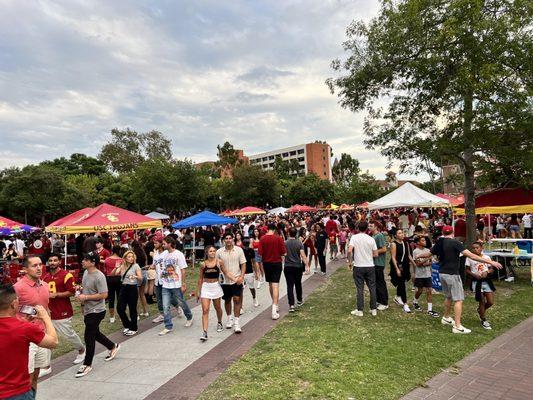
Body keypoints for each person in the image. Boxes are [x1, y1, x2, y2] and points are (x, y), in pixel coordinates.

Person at [431, 225, 502, 334]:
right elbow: (472, 256)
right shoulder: (455, 243)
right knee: (458, 299)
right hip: (452, 274)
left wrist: (419, 256)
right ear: (453, 232)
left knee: (448, 296)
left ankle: (446, 317)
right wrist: (492, 262)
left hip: (442, 273)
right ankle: (457, 326)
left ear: (443, 232)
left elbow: (429, 253)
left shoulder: (439, 242)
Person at [0, 284, 58, 400]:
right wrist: (46, 317)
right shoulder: (24, 328)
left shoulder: (23, 327)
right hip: (17, 392)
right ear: (13, 304)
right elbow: (53, 342)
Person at [74, 252, 120, 378]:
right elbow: (86, 289)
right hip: (89, 309)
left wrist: (86, 297)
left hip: (97, 310)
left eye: (85, 259)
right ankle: (112, 346)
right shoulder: (85, 273)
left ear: (93, 262)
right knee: (95, 334)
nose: (83, 261)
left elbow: (104, 294)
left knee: (88, 336)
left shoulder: (99, 276)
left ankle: (87, 364)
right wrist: (82, 296)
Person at [14, 256, 53, 386]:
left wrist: (48, 330)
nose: (38, 268)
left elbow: (46, 310)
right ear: (25, 269)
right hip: (25, 339)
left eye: (40, 265)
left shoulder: (45, 285)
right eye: (34, 265)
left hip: (41, 336)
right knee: (27, 379)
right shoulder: (17, 288)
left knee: (35, 377)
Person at [42, 253, 86, 365]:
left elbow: (71, 292)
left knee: (68, 334)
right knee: (45, 338)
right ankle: (45, 365)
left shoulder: (66, 275)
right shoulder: (45, 277)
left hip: (62, 310)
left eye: (55, 260)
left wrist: (56, 295)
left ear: (59, 261)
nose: (52, 262)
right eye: (50, 260)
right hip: (48, 312)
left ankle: (82, 350)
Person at [196, 245, 236, 341]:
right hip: (206, 287)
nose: (213, 253)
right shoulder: (203, 264)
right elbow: (200, 278)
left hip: (215, 287)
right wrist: (198, 291)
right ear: (207, 253)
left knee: (218, 308)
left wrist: (236, 279)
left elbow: (226, 273)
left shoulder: (219, 262)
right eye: (210, 251)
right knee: (205, 310)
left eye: (214, 251)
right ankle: (205, 332)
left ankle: (219, 322)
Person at [158, 236, 193, 336]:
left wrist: (183, 283)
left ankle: (189, 317)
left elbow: (183, 270)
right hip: (165, 284)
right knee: (165, 306)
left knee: (181, 302)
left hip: (176, 284)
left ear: (170, 243)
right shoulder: (164, 254)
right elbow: (160, 265)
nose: (163, 245)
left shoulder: (179, 254)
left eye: (164, 243)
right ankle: (168, 326)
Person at [216, 233, 246, 332]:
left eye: (230, 238)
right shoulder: (219, 252)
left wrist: (241, 276)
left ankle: (237, 323)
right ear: (224, 240)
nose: (228, 240)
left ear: (232, 239)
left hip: (237, 279)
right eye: (226, 238)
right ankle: (229, 319)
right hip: (225, 281)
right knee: (227, 300)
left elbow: (243, 264)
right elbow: (217, 266)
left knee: (237, 299)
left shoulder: (239, 250)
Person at [347, 221, 378, 316]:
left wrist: (350, 261)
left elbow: (349, 250)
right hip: (369, 266)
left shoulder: (354, 237)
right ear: (367, 229)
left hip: (358, 266)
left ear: (357, 228)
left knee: (360, 288)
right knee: (372, 287)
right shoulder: (371, 239)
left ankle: (360, 310)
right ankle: (373, 309)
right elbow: (376, 254)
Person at [258, 223, 287, 320]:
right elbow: (284, 252)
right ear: (274, 229)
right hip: (276, 263)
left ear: (267, 229)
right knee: (275, 285)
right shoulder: (278, 238)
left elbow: (260, 253)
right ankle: (274, 308)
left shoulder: (262, 239)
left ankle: (274, 303)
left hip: (266, 263)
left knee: (270, 284)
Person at [465, 242, 496, 330]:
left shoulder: (486, 257)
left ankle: (480, 310)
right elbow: (467, 270)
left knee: (490, 302)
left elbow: (491, 268)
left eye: (477, 247)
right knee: (481, 301)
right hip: (476, 281)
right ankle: (483, 319)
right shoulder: (470, 258)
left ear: (481, 248)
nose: (475, 249)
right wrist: (474, 275)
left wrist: (487, 272)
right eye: (473, 248)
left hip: (486, 281)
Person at [112, 250, 142, 336]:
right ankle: (128, 325)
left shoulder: (136, 266)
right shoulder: (122, 266)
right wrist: (115, 267)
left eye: (132, 256)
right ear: (125, 258)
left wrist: (135, 276)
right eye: (129, 256)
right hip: (123, 287)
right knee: (119, 308)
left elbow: (140, 278)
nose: (131, 258)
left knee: (132, 309)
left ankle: (134, 328)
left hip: (132, 288)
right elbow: (113, 274)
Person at [412, 237, 439, 317]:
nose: (425, 242)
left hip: (428, 274)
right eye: (422, 240)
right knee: (420, 291)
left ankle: (430, 309)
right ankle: (415, 301)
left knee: (429, 290)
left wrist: (425, 262)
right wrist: (426, 259)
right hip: (420, 275)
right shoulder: (415, 251)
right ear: (418, 242)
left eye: (425, 240)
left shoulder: (428, 251)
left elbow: (431, 262)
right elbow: (418, 264)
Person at [284, 227, 309, 312]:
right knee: (298, 284)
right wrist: (307, 266)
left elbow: (283, 255)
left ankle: (291, 305)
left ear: (288, 233)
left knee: (289, 286)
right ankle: (299, 300)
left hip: (288, 266)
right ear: (296, 234)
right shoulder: (299, 243)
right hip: (297, 266)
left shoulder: (285, 243)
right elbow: (303, 255)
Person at [390, 229, 414, 313]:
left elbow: (409, 255)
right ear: (396, 235)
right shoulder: (394, 244)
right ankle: (405, 304)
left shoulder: (406, 243)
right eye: (399, 233)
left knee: (402, 282)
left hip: (405, 266)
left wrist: (414, 265)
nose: (402, 234)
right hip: (398, 266)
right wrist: (397, 269)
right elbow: (393, 257)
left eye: (402, 232)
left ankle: (397, 297)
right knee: (402, 284)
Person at [368, 222, 388, 311]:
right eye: (369, 226)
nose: (369, 227)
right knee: (375, 283)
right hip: (374, 263)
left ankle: (384, 302)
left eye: (371, 226)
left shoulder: (379, 236)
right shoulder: (372, 236)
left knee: (380, 283)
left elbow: (384, 249)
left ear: (376, 227)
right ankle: (379, 300)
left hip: (379, 263)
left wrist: (372, 253)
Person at [103, 245, 123, 323]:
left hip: (109, 279)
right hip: (119, 279)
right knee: (120, 298)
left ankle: (112, 317)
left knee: (111, 298)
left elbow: (105, 269)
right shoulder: (121, 260)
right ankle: (121, 315)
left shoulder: (107, 259)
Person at [243, 239, 260, 308]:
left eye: (247, 244)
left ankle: (254, 299)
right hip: (241, 272)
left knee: (251, 287)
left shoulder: (251, 250)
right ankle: (241, 306)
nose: (246, 246)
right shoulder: (241, 251)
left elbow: (253, 261)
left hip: (249, 271)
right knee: (241, 289)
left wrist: (256, 273)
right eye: (245, 244)